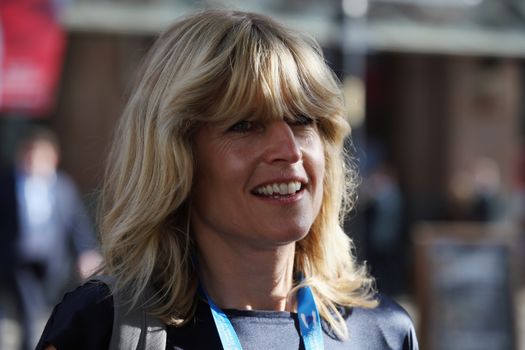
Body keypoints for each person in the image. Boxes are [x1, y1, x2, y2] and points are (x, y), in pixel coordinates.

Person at [37, 10, 418, 350]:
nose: (288, 149)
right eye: (245, 125)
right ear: (176, 156)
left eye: (303, 120)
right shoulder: (98, 328)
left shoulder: (384, 333)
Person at [0, 127, 101, 350]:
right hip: (18, 261)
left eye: (40, 155)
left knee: (45, 309)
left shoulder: (63, 187)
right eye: (29, 153)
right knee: (30, 312)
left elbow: (78, 225)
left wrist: (87, 252)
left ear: (53, 158)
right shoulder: (7, 184)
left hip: (52, 264)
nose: (33, 160)